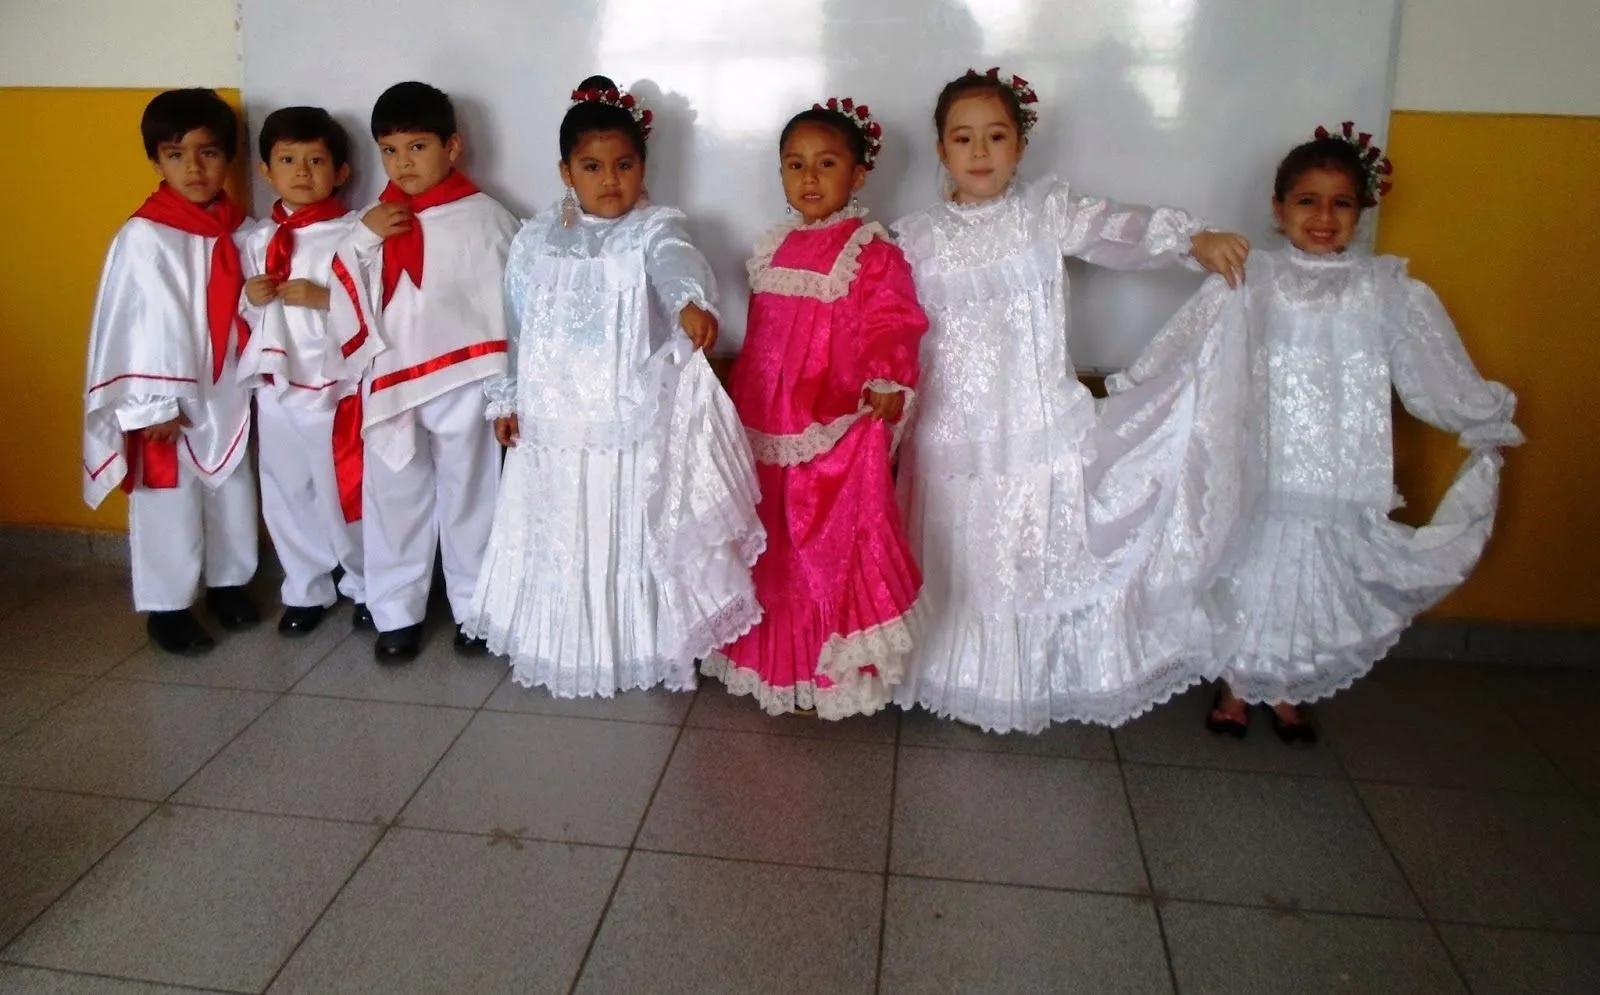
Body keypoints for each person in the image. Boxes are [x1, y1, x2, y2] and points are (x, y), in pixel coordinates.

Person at [1111, 125, 1524, 742]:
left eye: (1341, 203)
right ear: (1279, 209)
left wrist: (1478, 417)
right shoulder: (1248, 279)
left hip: (1337, 465)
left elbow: (1429, 368)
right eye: (1307, 201)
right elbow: (1188, 350)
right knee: (1246, 565)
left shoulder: (1388, 292)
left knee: (1310, 578)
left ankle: (1286, 684)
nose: (1324, 216)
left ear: (1361, 211)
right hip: (1258, 459)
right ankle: (1238, 680)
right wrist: (1132, 396)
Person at [892, 68, 1251, 733]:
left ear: (1020, 146)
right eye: (962, 138)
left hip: (1038, 429)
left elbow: (1118, 226)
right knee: (957, 556)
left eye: (995, 136)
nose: (979, 152)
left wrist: (1189, 241)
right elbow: (881, 327)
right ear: (941, 149)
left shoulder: (1043, 212)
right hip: (951, 437)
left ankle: (1032, 676)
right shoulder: (913, 238)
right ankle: (954, 673)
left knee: (1030, 560)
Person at [463, 76, 763, 697]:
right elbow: (514, 323)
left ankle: (632, 642)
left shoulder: (654, 229)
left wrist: (689, 304)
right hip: (550, 421)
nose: (609, 180)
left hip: (620, 417)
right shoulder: (534, 239)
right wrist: (508, 395)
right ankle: (552, 638)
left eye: (624, 165)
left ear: (643, 166)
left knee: (618, 524)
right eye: (592, 166)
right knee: (557, 526)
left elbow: (678, 264)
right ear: (565, 170)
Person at [703, 98, 929, 718]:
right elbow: (764, 340)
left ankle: (824, 672)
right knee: (769, 544)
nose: (809, 177)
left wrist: (887, 375)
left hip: (827, 426)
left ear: (857, 175)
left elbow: (893, 320)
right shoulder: (770, 249)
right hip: (762, 424)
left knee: (818, 549)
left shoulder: (870, 250)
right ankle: (771, 663)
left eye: (826, 163)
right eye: (794, 164)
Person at [326, 81, 520, 662]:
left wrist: (507, 391)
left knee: (471, 497)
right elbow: (340, 288)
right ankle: (396, 612)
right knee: (396, 498)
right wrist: (363, 240)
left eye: (417, 147)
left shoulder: (487, 218)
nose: (402, 164)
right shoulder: (370, 222)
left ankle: (473, 609)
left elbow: (515, 303)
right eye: (389, 150)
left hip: (467, 384)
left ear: (452, 145)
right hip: (395, 387)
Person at [82, 88, 260, 656]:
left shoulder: (238, 230)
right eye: (175, 153)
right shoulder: (144, 237)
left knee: (231, 485)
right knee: (170, 496)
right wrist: (148, 407)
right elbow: (137, 326)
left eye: (208, 153)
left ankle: (229, 583)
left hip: (224, 387)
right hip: (165, 402)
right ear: (156, 161)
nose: (193, 168)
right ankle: (167, 604)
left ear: (229, 158)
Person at [236, 106, 368, 636]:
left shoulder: (355, 233)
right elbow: (244, 318)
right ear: (266, 169)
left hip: (334, 388)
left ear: (341, 171)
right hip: (278, 388)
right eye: (287, 160)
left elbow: (373, 306)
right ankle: (305, 585)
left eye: (316, 160)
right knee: (287, 490)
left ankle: (363, 582)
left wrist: (324, 298)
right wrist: (251, 296)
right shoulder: (256, 240)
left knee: (347, 491)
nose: (301, 171)